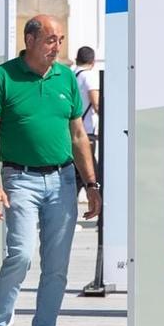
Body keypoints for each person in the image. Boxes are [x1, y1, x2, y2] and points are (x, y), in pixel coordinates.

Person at [0, 14, 101, 326]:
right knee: (20, 255)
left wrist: (91, 185)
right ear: (29, 40)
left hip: (62, 182)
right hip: (20, 179)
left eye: (60, 39)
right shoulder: (3, 77)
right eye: (50, 40)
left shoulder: (64, 77)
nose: (56, 47)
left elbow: (78, 136)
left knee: (57, 268)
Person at [74, 45, 101, 218]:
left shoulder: (71, 74)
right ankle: (99, 212)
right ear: (92, 61)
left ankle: (70, 215)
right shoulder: (89, 76)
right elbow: (97, 103)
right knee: (91, 175)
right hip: (86, 132)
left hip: (73, 131)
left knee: (77, 175)